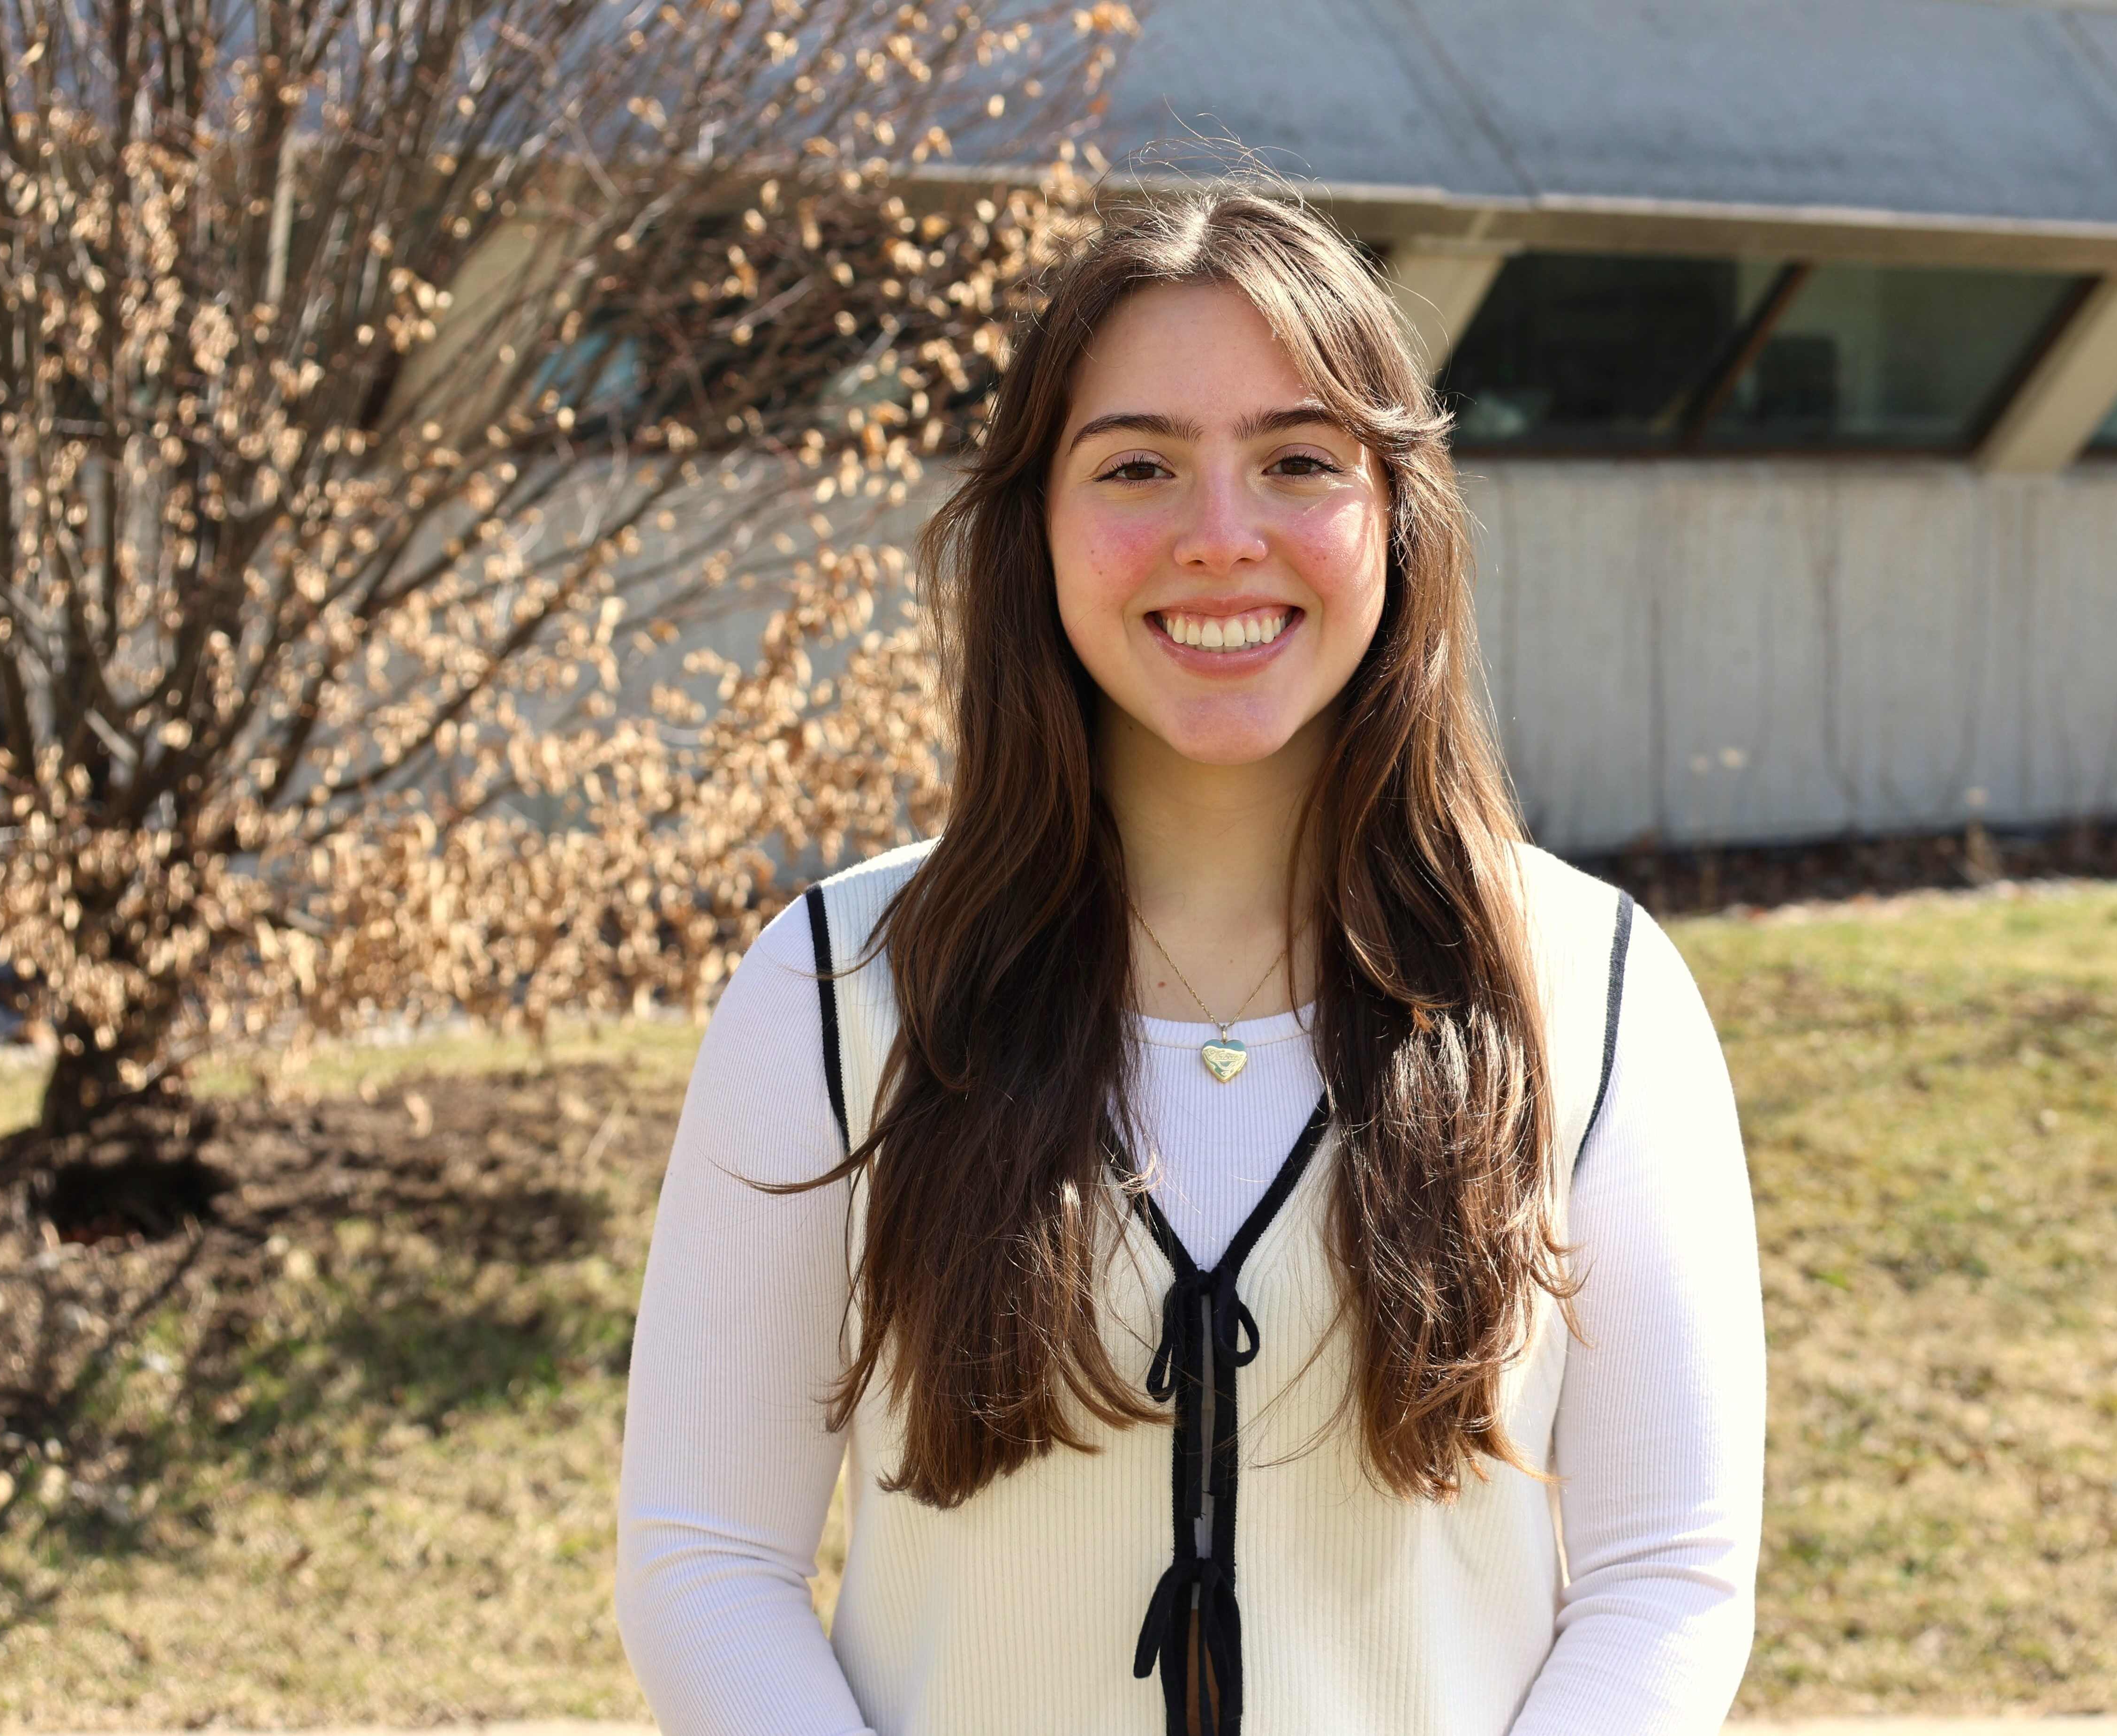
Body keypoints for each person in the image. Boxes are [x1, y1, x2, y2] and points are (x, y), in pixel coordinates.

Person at [613, 186, 1765, 1736]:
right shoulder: (832, 990)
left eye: (1299, 461)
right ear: (1036, 525)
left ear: (1398, 512)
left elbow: (1667, 1578)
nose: (1221, 537)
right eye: (1138, 467)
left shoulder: (1596, 991)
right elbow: (707, 1561)